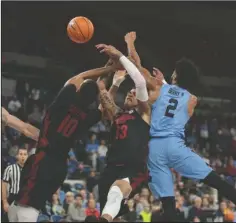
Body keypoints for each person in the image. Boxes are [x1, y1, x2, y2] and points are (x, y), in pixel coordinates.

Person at [126, 31, 236, 221]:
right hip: (176, 145)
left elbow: (136, 66)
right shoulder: (193, 100)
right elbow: (176, 101)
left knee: (168, 205)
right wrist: (166, 83)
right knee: (216, 182)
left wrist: (130, 43)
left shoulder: (160, 88)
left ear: (176, 75)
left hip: (156, 147)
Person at [9, 63, 117, 222]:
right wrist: (113, 84)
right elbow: (104, 108)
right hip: (59, 167)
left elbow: (78, 77)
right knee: (34, 203)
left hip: (42, 158)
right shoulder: (87, 117)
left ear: (78, 90)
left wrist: (106, 69)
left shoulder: (64, 100)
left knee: (25, 201)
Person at [95, 44, 150, 222]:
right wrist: (115, 79)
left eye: (134, 93)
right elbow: (103, 98)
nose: (131, 93)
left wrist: (120, 57)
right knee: (111, 212)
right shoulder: (118, 114)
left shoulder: (144, 114)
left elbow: (140, 82)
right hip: (111, 166)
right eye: (129, 92)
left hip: (133, 167)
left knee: (117, 192)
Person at [2, 148, 28, 222]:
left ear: (27, 156)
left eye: (25, 154)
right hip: (13, 197)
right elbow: (4, 185)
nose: (23, 156)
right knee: (7, 220)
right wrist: (4, 202)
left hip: (25, 199)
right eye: (21, 154)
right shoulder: (10, 168)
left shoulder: (30, 170)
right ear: (17, 156)